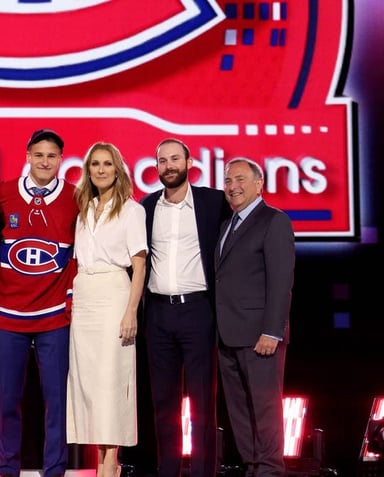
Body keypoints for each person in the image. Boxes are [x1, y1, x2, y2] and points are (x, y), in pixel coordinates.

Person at [140, 138, 230, 477]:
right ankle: (168, 470)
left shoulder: (213, 202)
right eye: (162, 160)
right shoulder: (145, 207)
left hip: (199, 312)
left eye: (175, 159)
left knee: (203, 404)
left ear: (189, 162)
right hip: (158, 315)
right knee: (164, 403)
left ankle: (205, 472)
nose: (168, 166)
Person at [0, 128, 78, 477]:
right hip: (8, 316)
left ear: (61, 160)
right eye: (39, 155)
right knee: (7, 400)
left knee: (56, 402)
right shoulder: (4, 194)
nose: (45, 161)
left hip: (54, 317)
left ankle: (54, 469)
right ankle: (7, 469)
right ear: (27, 156)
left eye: (52, 156)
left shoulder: (75, 197)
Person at [66, 142, 147, 477]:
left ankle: (109, 461)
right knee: (86, 381)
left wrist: (131, 312)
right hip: (85, 295)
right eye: (95, 164)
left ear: (118, 169)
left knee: (112, 379)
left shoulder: (132, 210)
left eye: (107, 164)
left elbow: (139, 266)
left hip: (115, 292)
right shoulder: (83, 209)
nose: (101, 170)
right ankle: (98, 457)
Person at [214, 158, 295, 477]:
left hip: (260, 335)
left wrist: (272, 331)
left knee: (265, 409)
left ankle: (271, 470)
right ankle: (253, 467)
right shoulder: (226, 225)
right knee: (239, 410)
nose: (233, 186)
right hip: (228, 334)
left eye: (240, 179)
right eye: (228, 181)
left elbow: (281, 280)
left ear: (259, 184)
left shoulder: (273, 220)